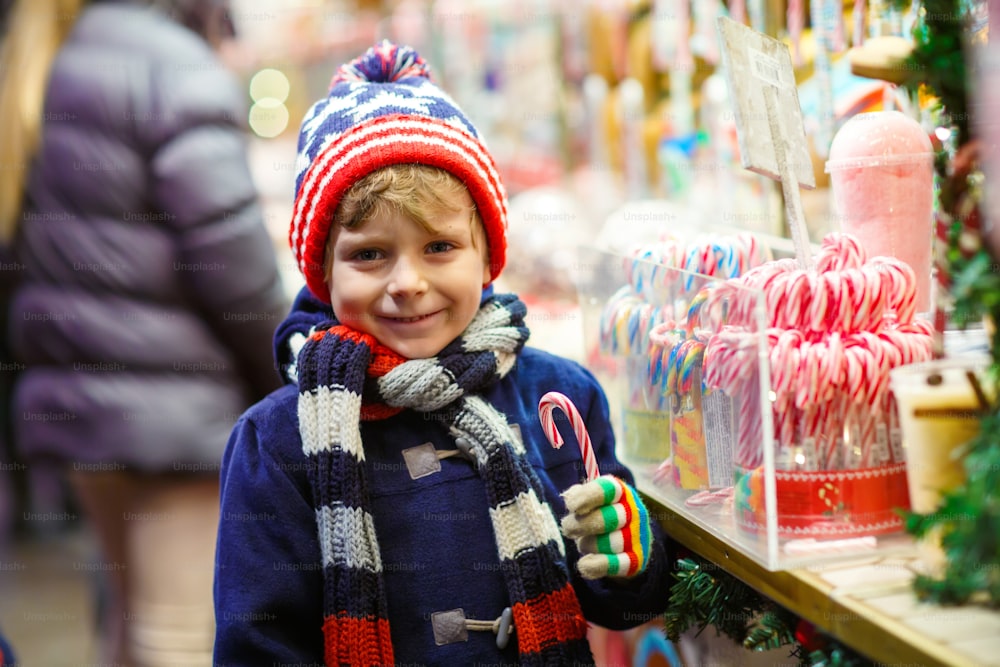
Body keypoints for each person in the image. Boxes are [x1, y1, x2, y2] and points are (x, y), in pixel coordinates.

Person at [214, 41, 675, 665]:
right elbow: (258, 645)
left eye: (439, 247)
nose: (407, 282)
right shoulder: (277, 442)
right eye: (369, 254)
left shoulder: (557, 398)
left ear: (487, 255)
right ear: (323, 272)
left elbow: (625, 609)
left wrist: (629, 562)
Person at [0, 0, 287, 664]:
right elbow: (234, 265)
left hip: (81, 410)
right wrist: (285, 374)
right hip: (174, 416)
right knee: (180, 635)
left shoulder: (46, 58)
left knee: (129, 622)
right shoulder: (168, 63)